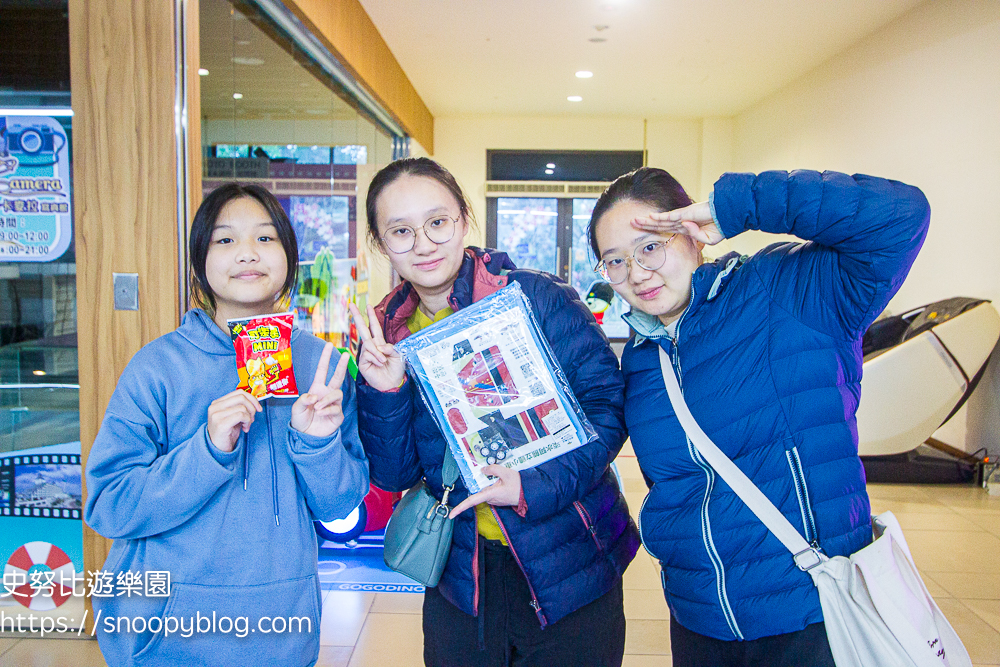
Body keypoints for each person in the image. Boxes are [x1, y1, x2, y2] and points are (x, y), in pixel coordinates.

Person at [588, 167, 930, 667]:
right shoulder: (640, 360)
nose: (636, 273)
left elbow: (900, 216)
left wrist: (738, 205)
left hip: (811, 614)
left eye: (649, 247)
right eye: (614, 261)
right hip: (699, 621)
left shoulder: (786, 289)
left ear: (691, 234)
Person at [350, 157, 640, 667]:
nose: (423, 243)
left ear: (463, 220)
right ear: (379, 242)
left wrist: (531, 486)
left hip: (567, 562)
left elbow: (607, 410)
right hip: (462, 576)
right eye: (400, 230)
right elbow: (395, 474)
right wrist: (388, 391)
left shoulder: (534, 296)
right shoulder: (385, 336)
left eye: (437, 222)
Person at [84, 183, 369, 667]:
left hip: (280, 627)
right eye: (224, 240)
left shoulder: (322, 365)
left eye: (265, 238)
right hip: (168, 630)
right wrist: (208, 449)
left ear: (287, 255)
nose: (247, 254)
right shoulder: (157, 367)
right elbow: (108, 505)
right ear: (200, 259)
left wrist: (317, 444)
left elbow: (339, 506)